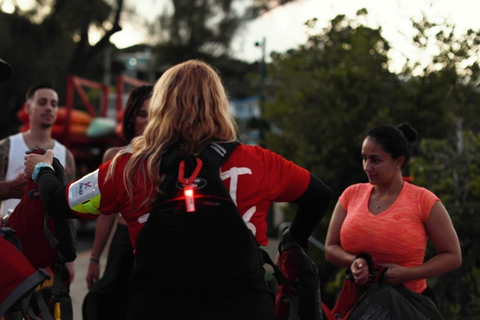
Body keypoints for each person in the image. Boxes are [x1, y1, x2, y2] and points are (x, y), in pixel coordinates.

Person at [25, 59, 332, 320]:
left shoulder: (128, 167)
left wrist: (42, 168)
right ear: (219, 105)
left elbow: (59, 202)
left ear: (162, 106)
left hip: (157, 305)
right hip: (245, 307)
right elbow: (318, 195)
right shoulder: (258, 162)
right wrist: (293, 242)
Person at [324, 123, 461, 312]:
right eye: (364, 158)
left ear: (399, 161)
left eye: (375, 160)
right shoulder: (351, 194)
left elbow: (453, 256)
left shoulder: (424, 201)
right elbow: (330, 248)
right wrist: (354, 261)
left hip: (406, 306)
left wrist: (407, 274)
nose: (367, 167)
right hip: (356, 304)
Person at [0, 82, 76, 319]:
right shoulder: (7, 147)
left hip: (48, 252)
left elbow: (68, 207)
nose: (49, 108)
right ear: (28, 107)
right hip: (11, 244)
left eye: (54, 103)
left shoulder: (66, 155)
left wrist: (70, 256)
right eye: (42, 102)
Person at [83, 84, 153, 320]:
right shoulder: (114, 156)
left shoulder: (173, 156)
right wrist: (94, 258)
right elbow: (106, 213)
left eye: (156, 114)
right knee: (110, 306)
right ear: (132, 116)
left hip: (158, 244)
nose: (149, 121)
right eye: (143, 114)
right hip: (123, 245)